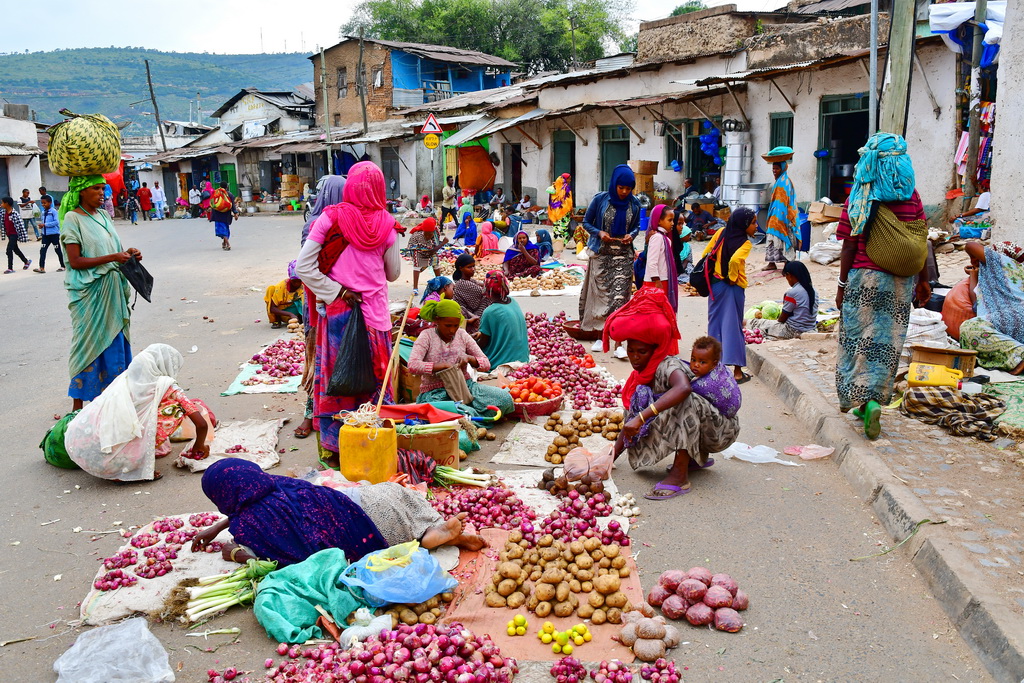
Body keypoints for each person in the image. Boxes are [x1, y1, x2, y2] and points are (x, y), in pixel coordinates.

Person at [295, 161, 402, 464]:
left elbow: (304, 267)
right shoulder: (387, 224)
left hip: (340, 314)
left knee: (339, 380)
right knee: (374, 384)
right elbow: (393, 274)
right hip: (375, 316)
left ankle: (336, 447)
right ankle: (371, 447)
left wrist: (338, 290)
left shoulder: (330, 219)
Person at [193, 459, 485, 567]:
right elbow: (253, 502)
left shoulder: (249, 526)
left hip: (372, 541)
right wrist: (216, 527)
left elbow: (268, 560)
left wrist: (232, 550)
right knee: (396, 492)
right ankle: (432, 528)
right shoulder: (279, 484)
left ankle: (422, 540)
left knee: (355, 543)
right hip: (374, 503)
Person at [835, 132, 930, 440]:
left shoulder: (859, 196)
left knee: (859, 340)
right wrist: (924, 280)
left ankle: (862, 402)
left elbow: (849, 245)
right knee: (887, 344)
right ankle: (875, 400)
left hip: (865, 277)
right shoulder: (911, 196)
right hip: (901, 281)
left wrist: (840, 284)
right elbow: (921, 240)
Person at [607, 288, 740, 500]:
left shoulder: (667, 365)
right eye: (631, 351)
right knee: (651, 408)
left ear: (654, 350)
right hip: (705, 426)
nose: (635, 358)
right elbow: (631, 420)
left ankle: (680, 477)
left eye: (642, 352)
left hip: (720, 431)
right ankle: (696, 459)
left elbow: (684, 389)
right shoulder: (641, 379)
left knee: (683, 400)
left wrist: (643, 418)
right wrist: (610, 458)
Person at [64, 344, 210, 482]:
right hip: (114, 461)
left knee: (143, 413)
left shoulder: (125, 379)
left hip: (87, 450)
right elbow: (201, 424)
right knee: (177, 408)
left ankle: (125, 459)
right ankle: (129, 467)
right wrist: (199, 446)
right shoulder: (167, 387)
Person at [59, 175, 141, 411]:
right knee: (87, 344)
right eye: (96, 188)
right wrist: (113, 258)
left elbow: (112, 250)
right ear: (81, 192)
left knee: (115, 341)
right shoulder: (73, 219)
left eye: (103, 189)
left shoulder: (104, 216)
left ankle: (116, 400)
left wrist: (127, 253)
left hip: (112, 291)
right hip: (90, 293)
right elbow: (75, 261)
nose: (102, 193)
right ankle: (77, 408)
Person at [294, 176, 348, 440]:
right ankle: (310, 413)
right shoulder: (316, 224)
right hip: (320, 297)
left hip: (341, 297)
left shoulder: (350, 222)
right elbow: (307, 267)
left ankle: (334, 413)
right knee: (318, 358)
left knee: (338, 360)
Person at [408, 299, 513, 416]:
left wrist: (470, 359)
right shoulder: (427, 336)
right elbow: (413, 365)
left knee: (504, 399)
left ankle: (471, 416)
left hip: (465, 387)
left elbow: (486, 364)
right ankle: (473, 415)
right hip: (436, 393)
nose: (452, 330)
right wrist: (441, 367)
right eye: (447, 325)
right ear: (437, 320)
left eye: (455, 326)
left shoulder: (462, 335)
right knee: (458, 412)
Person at [580, 164, 640, 357]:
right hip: (601, 253)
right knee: (601, 296)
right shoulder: (600, 199)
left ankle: (619, 343)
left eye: (628, 189)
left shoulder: (635, 204)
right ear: (614, 184)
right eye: (621, 187)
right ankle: (600, 337)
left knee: (620, 298)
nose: (624, 192)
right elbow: (586, 222)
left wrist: (631, 235)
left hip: (623, 256)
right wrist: (599, 233)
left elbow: (637, 226)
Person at [703, 207, 757, 383]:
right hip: (732, 288)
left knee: (715, 326)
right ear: (744, 224)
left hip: (715, 285)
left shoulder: (720, 233)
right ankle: (737, 373)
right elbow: (734, 260)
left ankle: (712, 370)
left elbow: (706, 254)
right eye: (753, 223)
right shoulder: (745, 243)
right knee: (733, 327)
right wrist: (732, 277)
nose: (756, 226)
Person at [959, 241, 1024, 374]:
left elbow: (970, 245)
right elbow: (976, 304)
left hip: (1017, 315)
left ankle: (1019, 355)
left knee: (969, 328)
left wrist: (976, 257)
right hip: (1007, 325)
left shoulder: (1006, 264)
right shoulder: (988, 279)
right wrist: (974, 274)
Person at [746, 261, 817, 339]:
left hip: (792, 330)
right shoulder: (814, 291)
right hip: (811, 328)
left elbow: (782, 319)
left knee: (756, 323)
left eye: (786, 277)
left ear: (789, 275)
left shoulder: (792, 292)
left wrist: (776, 320)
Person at [477, 271, 529, 367]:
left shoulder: (490, 311)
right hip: (523, 357)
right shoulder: (513, 301)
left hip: (505, 360)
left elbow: (483, 342)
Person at [762, 146, 798, 271]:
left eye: (777, 168)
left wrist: (782, 217)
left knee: (784, 238)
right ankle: (771, 263)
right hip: (774, 215)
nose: (774, 171)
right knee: (772, 238)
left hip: (783, 216)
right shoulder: (778, 181)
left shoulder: (785, 181)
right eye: (773, 169)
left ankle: (787, 264)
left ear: (783, 168)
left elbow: (786, 201)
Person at [642, 204, 679, 311]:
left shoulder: (664, 237)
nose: (672, 223)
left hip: (663, 279)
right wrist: (656, 281)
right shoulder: (657, 237)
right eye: (670, 220)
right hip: (657, 281)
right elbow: (651, 261)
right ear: (659, 221)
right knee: (656, 311)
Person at [452, 253, 489, 334]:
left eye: (473, 266)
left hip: (472, 312)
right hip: (469, 315)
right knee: (488, 297)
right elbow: (484, 291)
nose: (473, 269)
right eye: (469, 267)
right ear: (461, 268)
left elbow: (482, 284)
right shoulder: (463, 284)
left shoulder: (470, 280)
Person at [407, 216, 446, 293]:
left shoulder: (436, 232)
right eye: (426, 234)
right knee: (417, 264)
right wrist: (444, 243)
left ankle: (440, 284)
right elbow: (411, 248)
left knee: (435, 261)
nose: (428, 236)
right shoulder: (417, 235)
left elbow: (434, 247)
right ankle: (415, 288)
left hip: (431, 250)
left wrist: (439, 245)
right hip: (418, 252)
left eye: (430, 234)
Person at [33, 195, 65, 273]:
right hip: (45, 235)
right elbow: (44, 222)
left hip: (54, 234)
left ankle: (63, 265)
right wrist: (42, 227)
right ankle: (41, 267)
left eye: (45, 203)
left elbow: (56, 222)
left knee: (57, 250)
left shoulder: (53, 211)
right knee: (42, 250)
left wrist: (45, 225)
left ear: (50, 203)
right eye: (42, 203)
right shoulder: (43, 212)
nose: (43, 205)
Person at [2, 196, 31, 273]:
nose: (1, 204)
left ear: (7, 204)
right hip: (9, 234)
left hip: (14, 234)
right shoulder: (3, 213)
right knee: (16, 249)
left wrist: (24, 236)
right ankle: (26, 261)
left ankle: (10, 268)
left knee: (9, 250)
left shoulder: (15, 214)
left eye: (2, 203)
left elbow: (21, 226)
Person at [548, 173, 573, 242]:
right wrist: (571, 211)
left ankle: (556, 242)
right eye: (569, 179)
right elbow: (569, 201)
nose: (570, 180)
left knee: (556, 227)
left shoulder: (554, 186)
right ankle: (563, 243)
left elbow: (550, 199)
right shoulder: (566, 188)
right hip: (563, 211)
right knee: (563, 227)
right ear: (566, 179)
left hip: (554, 211)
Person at [209, 182, 235, 250]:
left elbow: (212, 203)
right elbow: (233, 205)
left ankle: (227, 244)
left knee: (222, 230)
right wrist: (235, 213)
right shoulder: (229, 194)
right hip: (226, 214)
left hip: (217, 214)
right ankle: (225, 243)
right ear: (226, 187)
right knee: (225, 229)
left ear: (220, 186)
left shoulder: (216, 193)